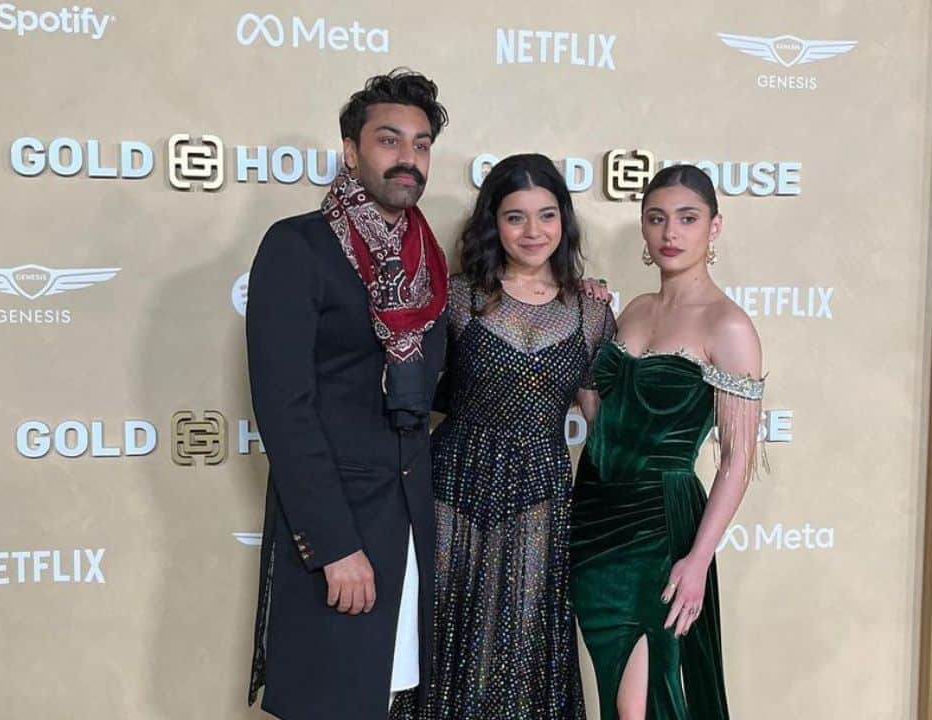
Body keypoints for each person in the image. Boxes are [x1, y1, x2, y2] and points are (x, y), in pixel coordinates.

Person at [245, 69, 450, 720]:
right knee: (329, 702)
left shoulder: (428, 264)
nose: (408, 157)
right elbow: (285, 410)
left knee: (386, 698)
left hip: (409, 527)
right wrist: (333, 545)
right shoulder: (298, 247)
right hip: (338, 532)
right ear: (350, 151)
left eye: (421, 144)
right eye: (389, 140)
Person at [391, 154, 614, 720]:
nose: (533, 231)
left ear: (564, 220)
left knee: (524, 649)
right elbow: (410, 393)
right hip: (453, 489)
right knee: (443, 637)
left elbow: (601, 426)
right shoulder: (457, 298)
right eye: (516, 217)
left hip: (541, 496)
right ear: (494, 223)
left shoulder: (590, 313)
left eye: (546, 215)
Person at [570, 164, 765, 720]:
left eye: (687, 218)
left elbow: (737, 460)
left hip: (659, 526)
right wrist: (587, 320)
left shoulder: (729, 326)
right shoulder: (633, 310)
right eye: (656, 219)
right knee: (615, 691)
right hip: (595, 518)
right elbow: (601, 418)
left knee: (642, 704)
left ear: (714, 226)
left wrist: (698, 560)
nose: (670, 232)